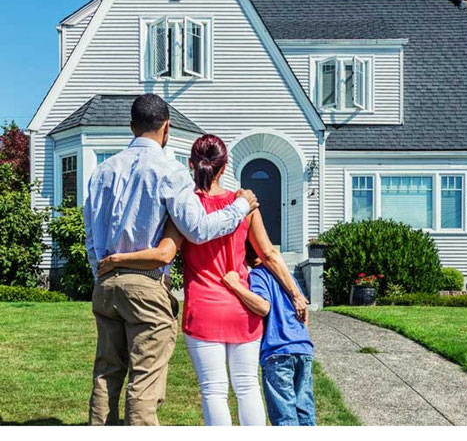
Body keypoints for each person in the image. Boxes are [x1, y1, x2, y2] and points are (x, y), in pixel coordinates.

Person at [97, 133, 309, 426]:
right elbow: (270, 254)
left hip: (203, 311)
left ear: (190, 165)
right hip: (242, 310)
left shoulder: (184, 209)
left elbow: (165, 252)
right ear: (224, 167)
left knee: (214, 391)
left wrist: (117, 259)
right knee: (247, 387)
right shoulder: (243, 205)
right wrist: (295, 293)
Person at [83, 93, 260, 426]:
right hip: (146, 285)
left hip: (106, 284)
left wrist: (101, 271)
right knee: (144, 381)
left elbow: (90, 232)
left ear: (131, 127)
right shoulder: (170, 170)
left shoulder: (102, 171)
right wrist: (241, 206)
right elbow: (197, 229)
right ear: (166, 127)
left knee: (106, 373)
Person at [222, 240, 316, 426]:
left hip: (278, 351)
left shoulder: (258, 275)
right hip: (303, 348)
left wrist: (236, 286)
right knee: (305, 411)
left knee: (285, 417)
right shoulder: (287, 277)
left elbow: (263, 307)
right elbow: (304, 311)